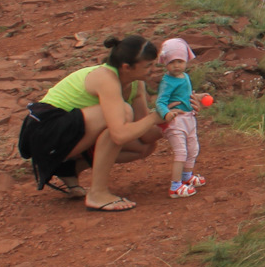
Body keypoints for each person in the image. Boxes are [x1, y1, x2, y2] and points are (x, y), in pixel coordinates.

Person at [16, 35, 164, 212]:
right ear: (126, 67)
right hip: (44, 133)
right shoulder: (106, 78)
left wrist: (174, 115)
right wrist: (155, 117)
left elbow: (146, 135)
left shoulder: (135, 83)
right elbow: (119, 135)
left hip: (69, 133)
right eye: (148, 66)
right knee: (122, 115)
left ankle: (68, 169)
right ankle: (97, 193)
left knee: (144, 147)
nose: (153, 70)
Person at [155, 38, 205, 197]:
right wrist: (166, 114)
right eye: (172, 62)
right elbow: (160, 102)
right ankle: (175, 186)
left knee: (193, 148)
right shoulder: (167, 81)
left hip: (189, 118)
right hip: (176, 121)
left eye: (180, 61)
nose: (176, 65)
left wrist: (198, 96)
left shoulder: (185, 76)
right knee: (181, 152)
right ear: (165, 62)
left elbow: (185, 96)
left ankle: (187, 176)